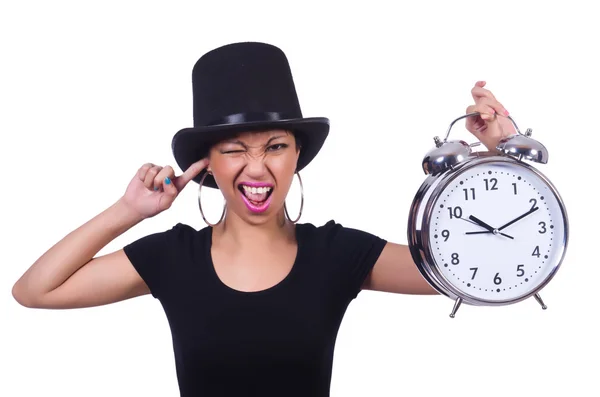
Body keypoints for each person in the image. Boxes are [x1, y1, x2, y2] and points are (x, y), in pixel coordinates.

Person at [12, 42, 515, 396]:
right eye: (235, 150)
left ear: (296, 154)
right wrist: (128, 211)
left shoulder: (336, 254)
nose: (258, 168)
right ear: (208, 164)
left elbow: (473, 268)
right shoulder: (172, 256)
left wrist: (500, 158)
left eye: (276, 147)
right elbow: (35, 290)